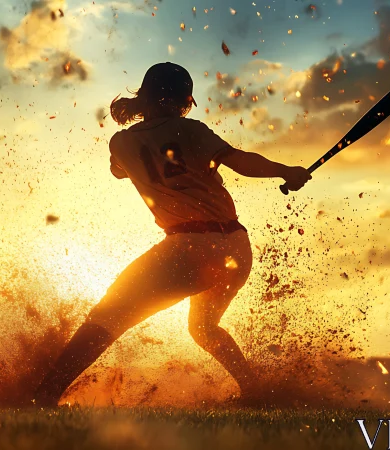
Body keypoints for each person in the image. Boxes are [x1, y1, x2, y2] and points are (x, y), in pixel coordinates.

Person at [34, 62, 311, 406]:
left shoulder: (120, 142)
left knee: (108, 314)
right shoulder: (192, 130)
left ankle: (43, 394)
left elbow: (118, 171)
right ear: (184, 101)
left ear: (144, 96)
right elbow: (239, 161)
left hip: (190, 247)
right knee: (204, 328)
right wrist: (288, 172)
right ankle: (255, 393)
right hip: (236, 248)